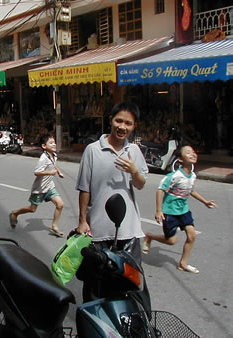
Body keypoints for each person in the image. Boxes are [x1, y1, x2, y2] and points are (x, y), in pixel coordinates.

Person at [74, 102, 149, 305]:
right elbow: (84, 188)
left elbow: (141, 184)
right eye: (119, 121)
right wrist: (82, 221)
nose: (122, 127)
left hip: (129, 232)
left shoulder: (134, 151)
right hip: (97, 231)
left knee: (132, 287)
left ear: (134, 126)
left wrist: (134, 170)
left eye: (128, 123)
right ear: (111, 120)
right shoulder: (92, 150)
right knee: (95, 287)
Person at [142, 144, 217, 274]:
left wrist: (205, 202)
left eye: (193, 152)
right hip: (170, 212)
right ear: (180, 159)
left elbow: (190, 191)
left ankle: (183, 263)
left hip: (183, 210)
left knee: (192, 235)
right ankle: (149, 236)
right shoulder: (174, 176)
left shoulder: (192, 175)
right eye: (188, 153)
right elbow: (160, 190)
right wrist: (159, 210)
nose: (192, 154)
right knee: (171, 241)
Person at [9, 133, 65, 237]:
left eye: (54, 142)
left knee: (60, 204)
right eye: (51, 143)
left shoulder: (54, 155)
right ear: (44, 146)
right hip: (39, 188)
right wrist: (50, 173)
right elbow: (37, 172)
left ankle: (54, 226)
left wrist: (58, 171)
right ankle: (15, 213)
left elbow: (53, 166)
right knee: (32, 209)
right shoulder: (43, 158)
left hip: (49, 187)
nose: (54, 144)